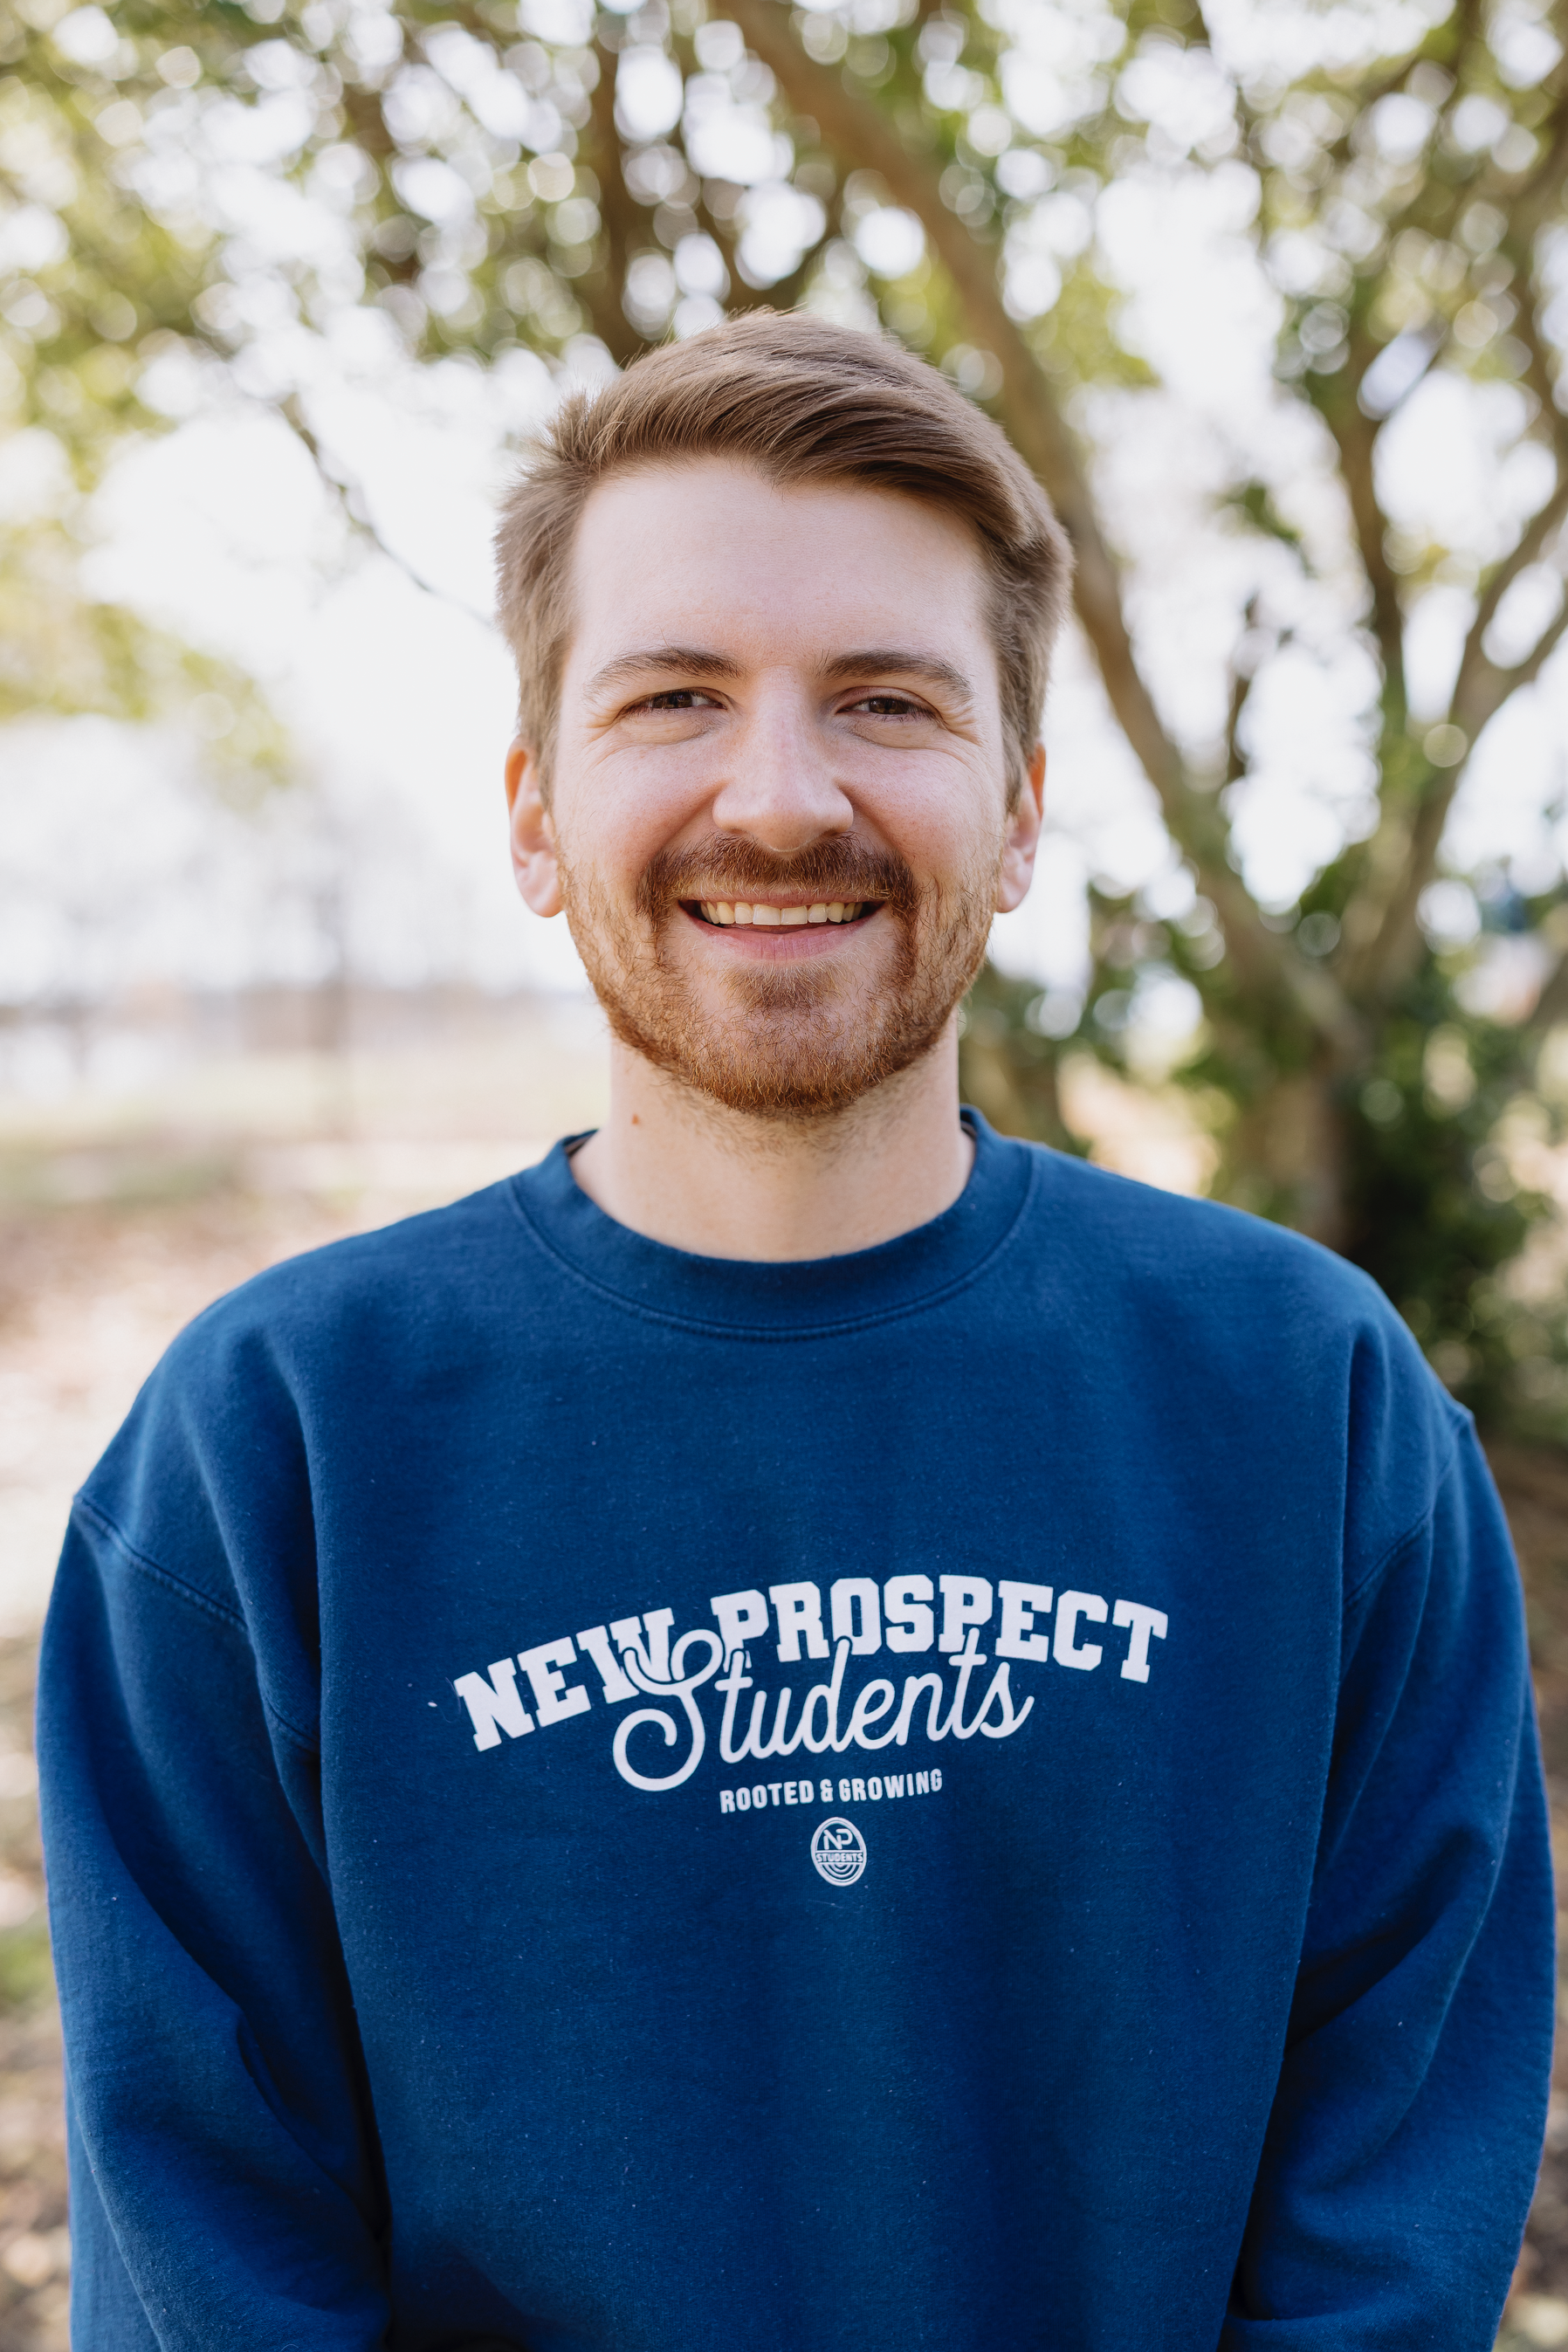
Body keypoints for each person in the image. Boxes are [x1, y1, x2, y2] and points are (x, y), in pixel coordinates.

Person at [39, 311, 1552, 2352]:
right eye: (673, 696)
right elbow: (213, 2256)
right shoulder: (264, 1451)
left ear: (1016, 813)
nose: (779, 795)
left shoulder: (1310, 1407)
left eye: (883, 702)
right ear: (529, 810)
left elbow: (1392, 2203)